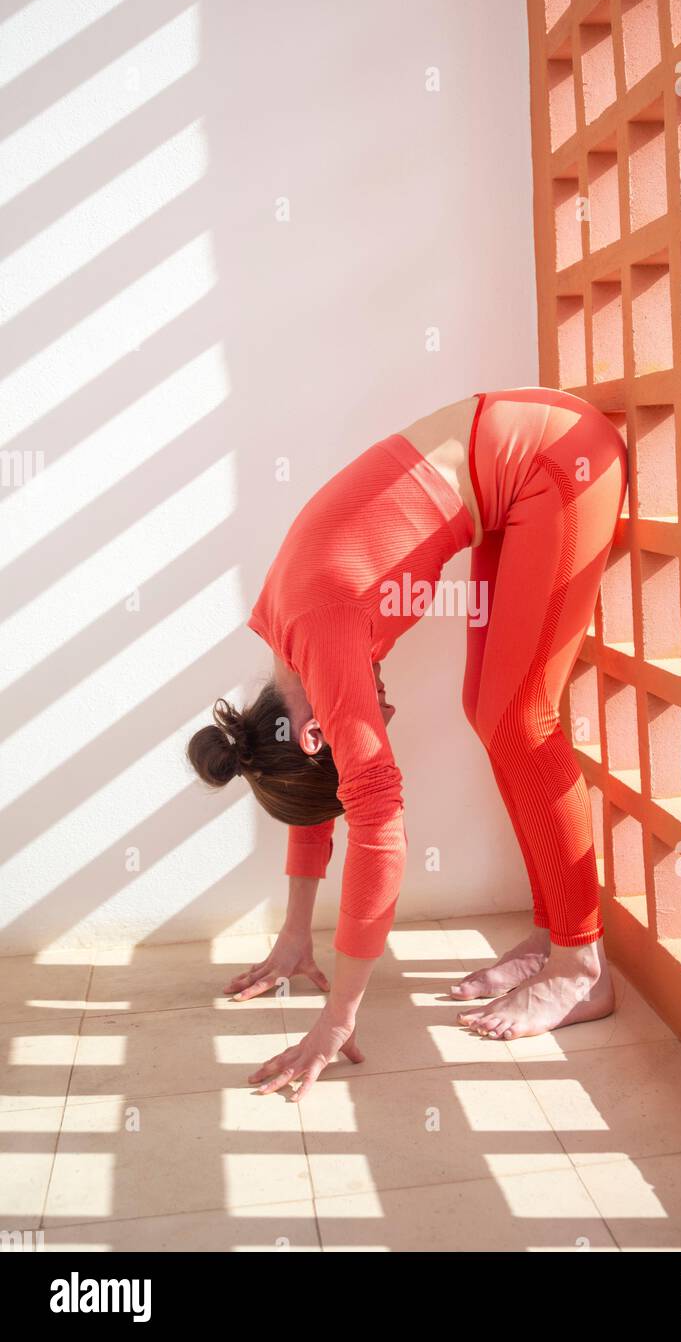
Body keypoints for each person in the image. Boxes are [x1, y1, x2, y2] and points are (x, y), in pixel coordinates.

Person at [187, 388, 627, 1099]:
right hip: (515, 472)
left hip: (559, 457)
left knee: (521, 718)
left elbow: (374, 822)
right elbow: (322, 785)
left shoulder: (324, 636)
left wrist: (338, 1018)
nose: (379, 715)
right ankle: (553, 939)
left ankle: (582, 968)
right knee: (491, 712)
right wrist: (296, 935)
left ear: (311, 731)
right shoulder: (288, 641)